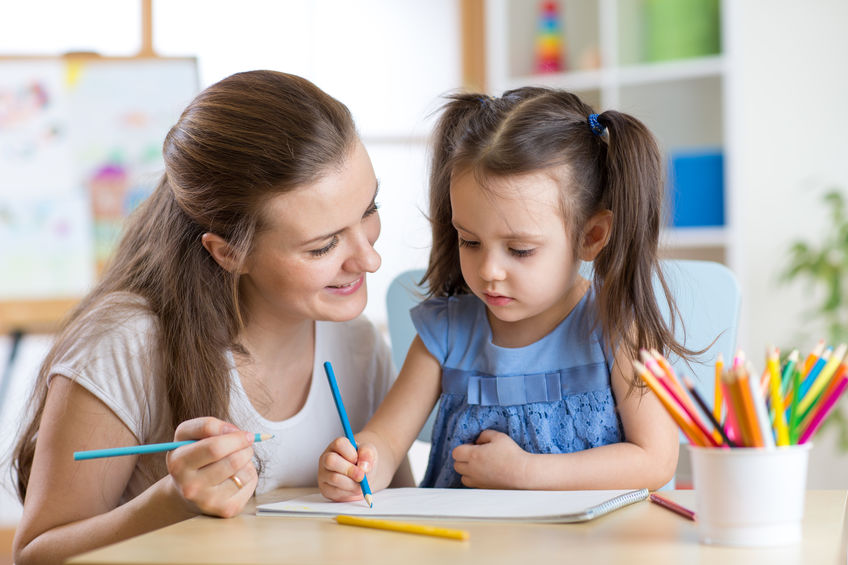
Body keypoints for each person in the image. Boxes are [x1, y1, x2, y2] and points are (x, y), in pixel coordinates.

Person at [11, 70, 411, 565]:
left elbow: (403, 521)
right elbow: (34, 555)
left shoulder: (357, 344)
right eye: (323, 245)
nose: (369, 260)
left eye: (369, 209)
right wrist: (172, 501)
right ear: (228, 253)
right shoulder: (126, 343)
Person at [318, 86, 696, 499]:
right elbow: (388, 441)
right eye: (469, 241)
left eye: (520, 250)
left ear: (591, 236)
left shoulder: (615, 325)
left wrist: (527, 472)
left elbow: (656, 460)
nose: (488, 271)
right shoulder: (446, 333)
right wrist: (360, 463)